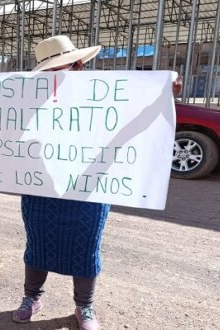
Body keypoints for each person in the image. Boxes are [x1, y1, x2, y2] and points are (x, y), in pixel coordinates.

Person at [11, 35, 182, 329]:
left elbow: (138, 121)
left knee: (85, 248)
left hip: (90, 187)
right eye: (50, 70)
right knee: (38, 245)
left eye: (61, 67)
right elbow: (7, 132)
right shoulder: (29, 97)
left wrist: (164, 92)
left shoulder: (105, 95)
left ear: (78, 65)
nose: (56, 74)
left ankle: (84, 307)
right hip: (42, 186)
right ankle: (31, 298)